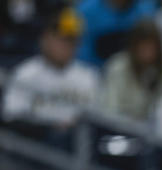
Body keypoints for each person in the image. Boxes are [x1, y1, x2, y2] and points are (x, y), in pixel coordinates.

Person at [2, 8, 99, 144]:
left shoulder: (88, 77)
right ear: (45, 38)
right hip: (34, 145)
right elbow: (12, 116)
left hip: (73, 146)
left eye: (71, 41)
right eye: (61, 39)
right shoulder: (26, 73)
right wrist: (49, 127)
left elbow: (95, 118)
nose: (65, 46)